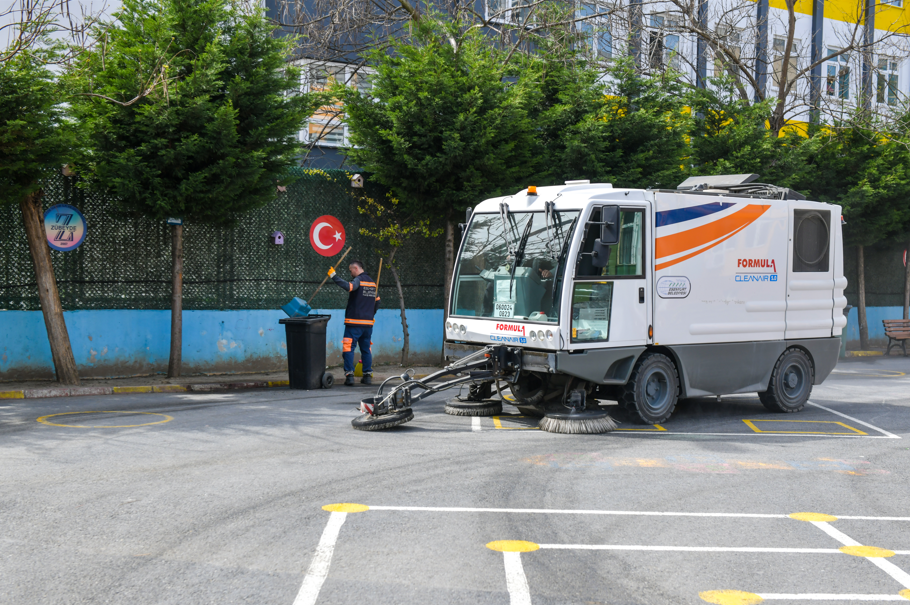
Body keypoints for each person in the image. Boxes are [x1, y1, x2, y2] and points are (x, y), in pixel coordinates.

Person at [328, 260, 380, 386]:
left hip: (354, 322)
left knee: (348, 348)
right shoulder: (373, 283)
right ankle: (367, 376)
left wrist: (334, 276)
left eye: (351, 271)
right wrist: (370, 315)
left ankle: (349, 376)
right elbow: (377, 301)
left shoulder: (358, 280)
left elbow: (349, 287)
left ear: (356, 268)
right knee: (366, 349)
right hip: (368, 324)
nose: (351, 274)